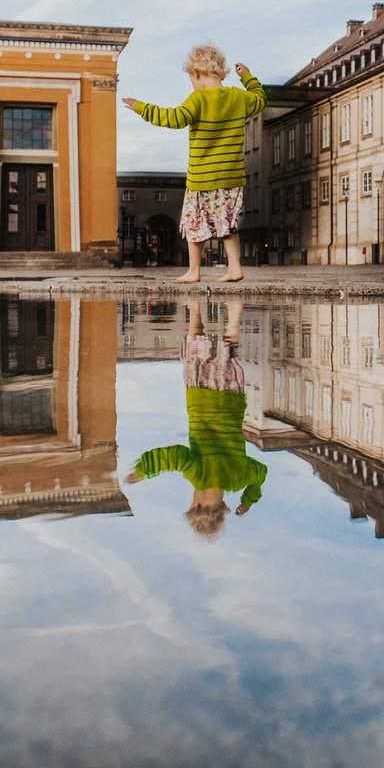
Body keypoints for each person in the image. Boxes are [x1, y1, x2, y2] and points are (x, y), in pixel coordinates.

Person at [121, 44, 266, 284]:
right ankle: (235, 267)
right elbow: (261, 100)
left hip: (202, 178)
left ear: (196, 74)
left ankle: (194, 271)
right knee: (228, 224)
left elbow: (173, 118)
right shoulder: (239, 97)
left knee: (194, 224)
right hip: (231, 177)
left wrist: (141, 108)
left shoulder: (198, 98)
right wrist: (247, 77)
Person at [124, 300, 267, 540]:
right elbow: (173, 456)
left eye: (193, 506)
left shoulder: (237, 479)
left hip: (231, 402)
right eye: (198, 506)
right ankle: (195, 309)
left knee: (228, 355)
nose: (195, 500)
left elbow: (261, 473)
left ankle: (233, 312)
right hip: (201, 402)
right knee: (195, 354)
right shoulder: (198, 477)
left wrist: (249, 500)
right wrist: (143, 470)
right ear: (213, 507)